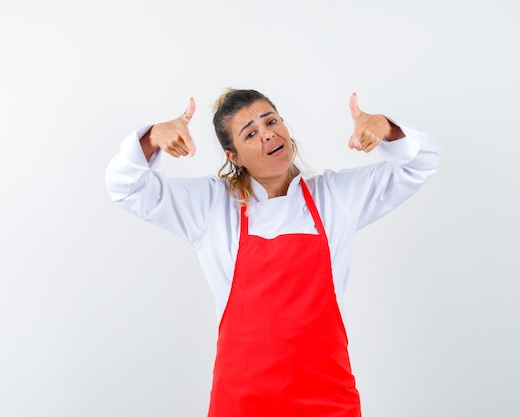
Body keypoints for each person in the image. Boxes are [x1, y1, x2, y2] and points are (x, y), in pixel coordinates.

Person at [105, 88, 440, 416]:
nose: (267, 134)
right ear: (232, 157)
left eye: (271, 121)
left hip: (328, 398)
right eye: (250, 133)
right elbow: (124, 187)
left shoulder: (334, 197)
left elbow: (421, 164)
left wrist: (388, 129)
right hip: (242, 402)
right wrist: (151, 138)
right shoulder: (212, 206)